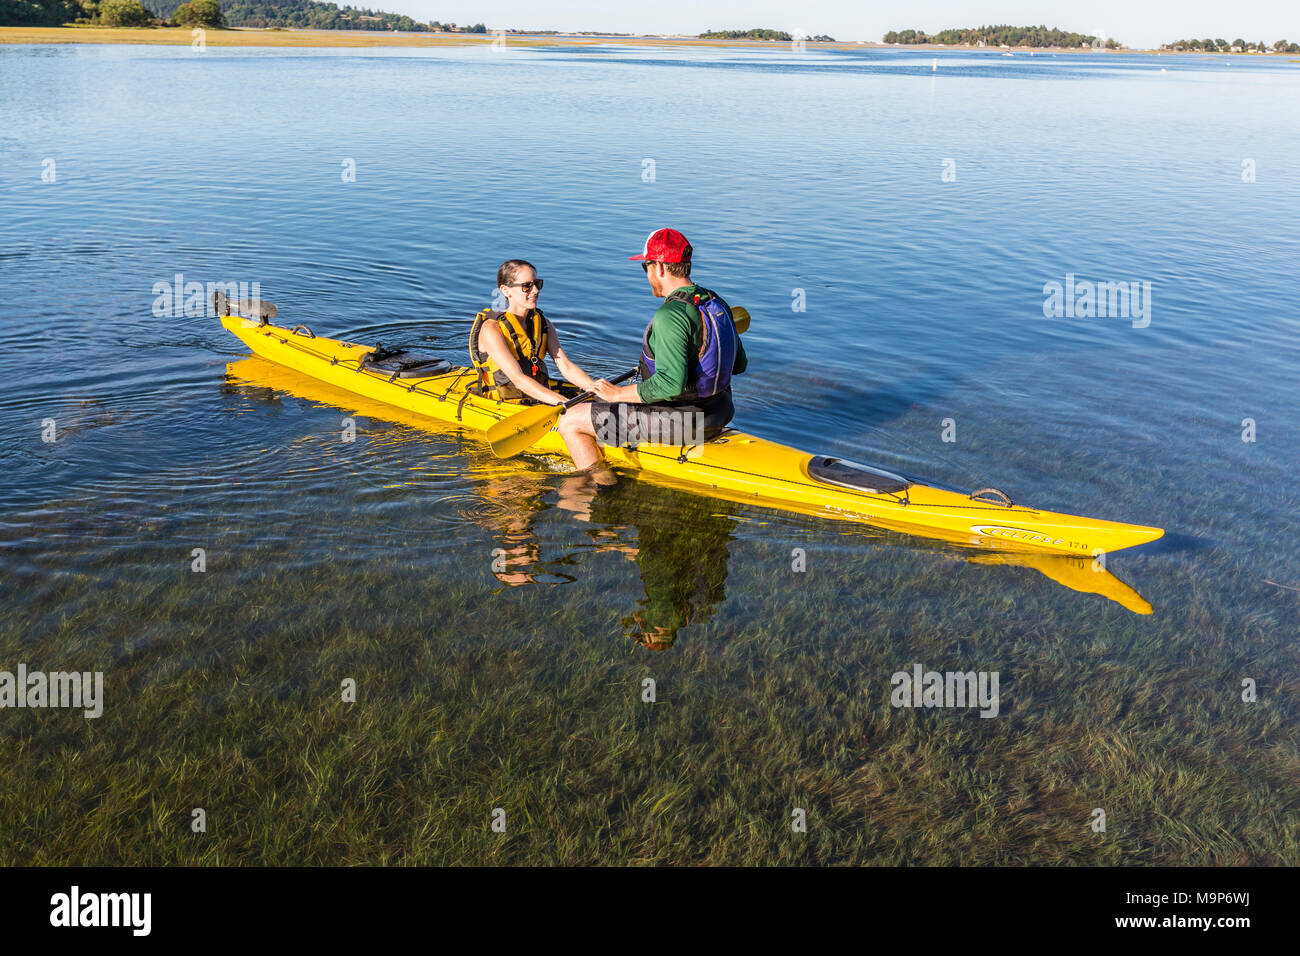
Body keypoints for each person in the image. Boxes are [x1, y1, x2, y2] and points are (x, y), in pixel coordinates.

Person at [559, 229, 747, 468]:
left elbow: (670, 384)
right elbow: (739, 364)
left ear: (659, 267)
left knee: (570, 420)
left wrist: (616, 395)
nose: (646, 274)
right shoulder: (716, 303)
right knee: (614, 401)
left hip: (685, 423)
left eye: (645, 266)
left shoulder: (671, 315)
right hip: (721, 412)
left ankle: (599, 488)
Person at [470, 259, 603, 466]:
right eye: (526, 286)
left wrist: (594, 388)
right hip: (505, 405)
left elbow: (565, 365)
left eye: (537, 284)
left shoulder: (544, 324)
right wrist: (564, 404)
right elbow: (518, 380)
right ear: (506, 290)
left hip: (536, 400)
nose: (535, 291)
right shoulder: (492, 330)